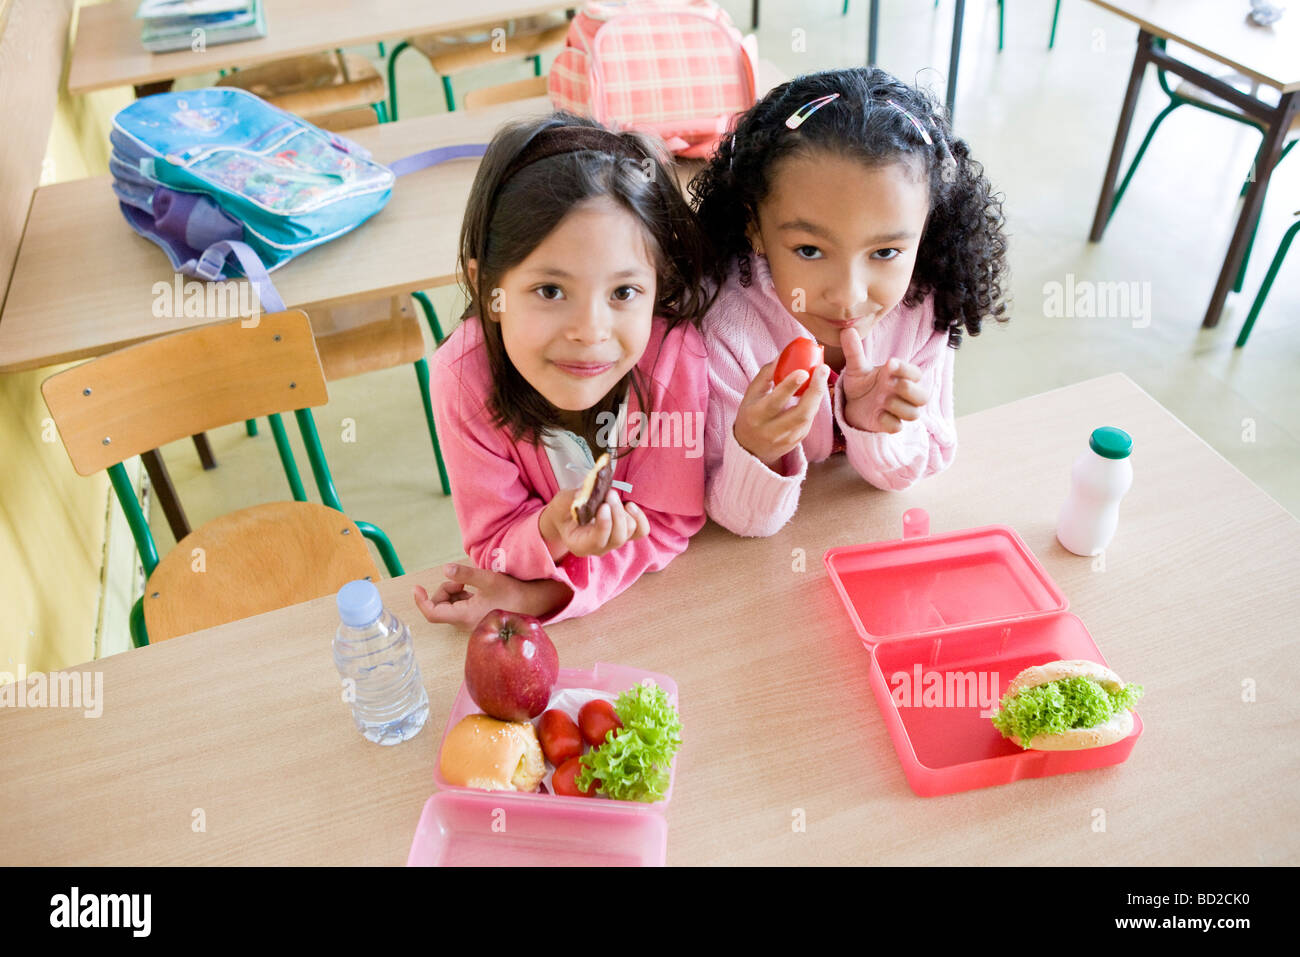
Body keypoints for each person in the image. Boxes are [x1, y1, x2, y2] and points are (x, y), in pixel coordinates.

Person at [415, 113, 716, 626]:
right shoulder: (462, 379)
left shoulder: (674, 358)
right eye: (550, 291)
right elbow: (492, 544)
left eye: (624, 292)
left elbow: (668, 520)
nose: (590, 332)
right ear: (489, 289)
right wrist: (551, 529)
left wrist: (544, 598)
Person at [691, 67, 1009, 536]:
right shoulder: (726, 328)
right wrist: (756, 448)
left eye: (885, 252)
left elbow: (928, 459)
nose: (848, 295)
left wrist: (877, 426)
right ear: (754, 226)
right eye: (809, 250)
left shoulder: (921, 306)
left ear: (926, 230)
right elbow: (739, 520)